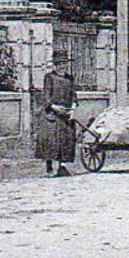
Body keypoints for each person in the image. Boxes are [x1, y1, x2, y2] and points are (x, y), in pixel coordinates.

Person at [36, 47, 78, 176]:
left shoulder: (69, 78)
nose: (62, 66)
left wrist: (73, 108)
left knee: (66, 140)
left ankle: (62, 166)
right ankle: (49, 167)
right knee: (50, 140)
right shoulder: (49, 77)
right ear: (55, 65)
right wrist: (53, 107)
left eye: (64, 64)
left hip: (66, 114)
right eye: (59, 64)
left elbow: (74, 95)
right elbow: (46, 96)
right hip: (52, 114)